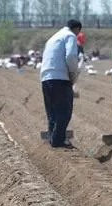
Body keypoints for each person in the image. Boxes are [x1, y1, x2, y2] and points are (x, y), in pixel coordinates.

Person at [40, 19, 81, 148]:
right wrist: (73, 74)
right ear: (77, 29)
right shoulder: (70, 36)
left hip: (46, 77)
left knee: (52, 111)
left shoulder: (53, 38)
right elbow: (70, 56)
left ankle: (53, 137)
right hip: (60, 78)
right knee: (64, 111)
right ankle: (58, 141)